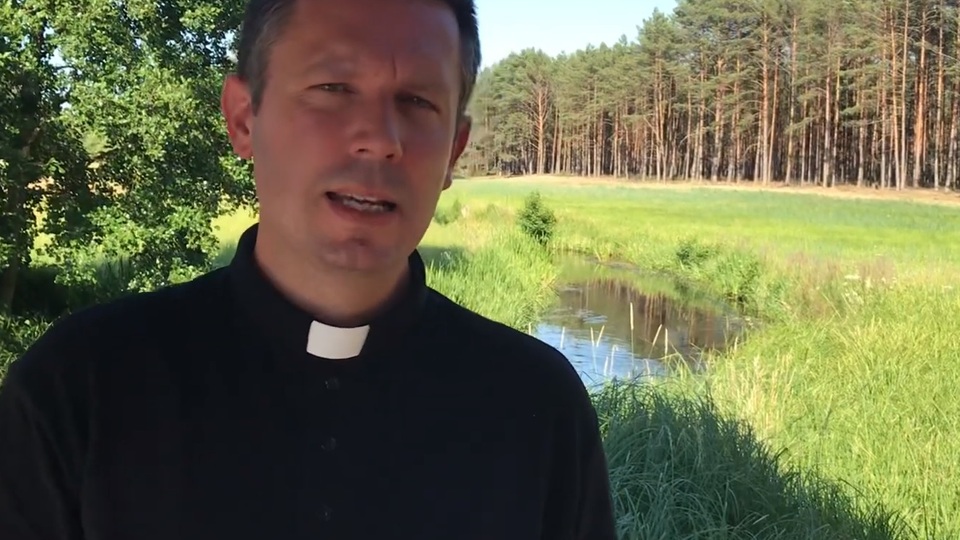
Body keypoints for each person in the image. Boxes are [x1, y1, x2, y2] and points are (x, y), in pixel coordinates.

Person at [0, 0, 619, 538]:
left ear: (454, 150)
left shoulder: (537, 407)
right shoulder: (77, 390)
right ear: (244, 118)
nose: (381, 139)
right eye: (334, 88)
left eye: (417, 101)